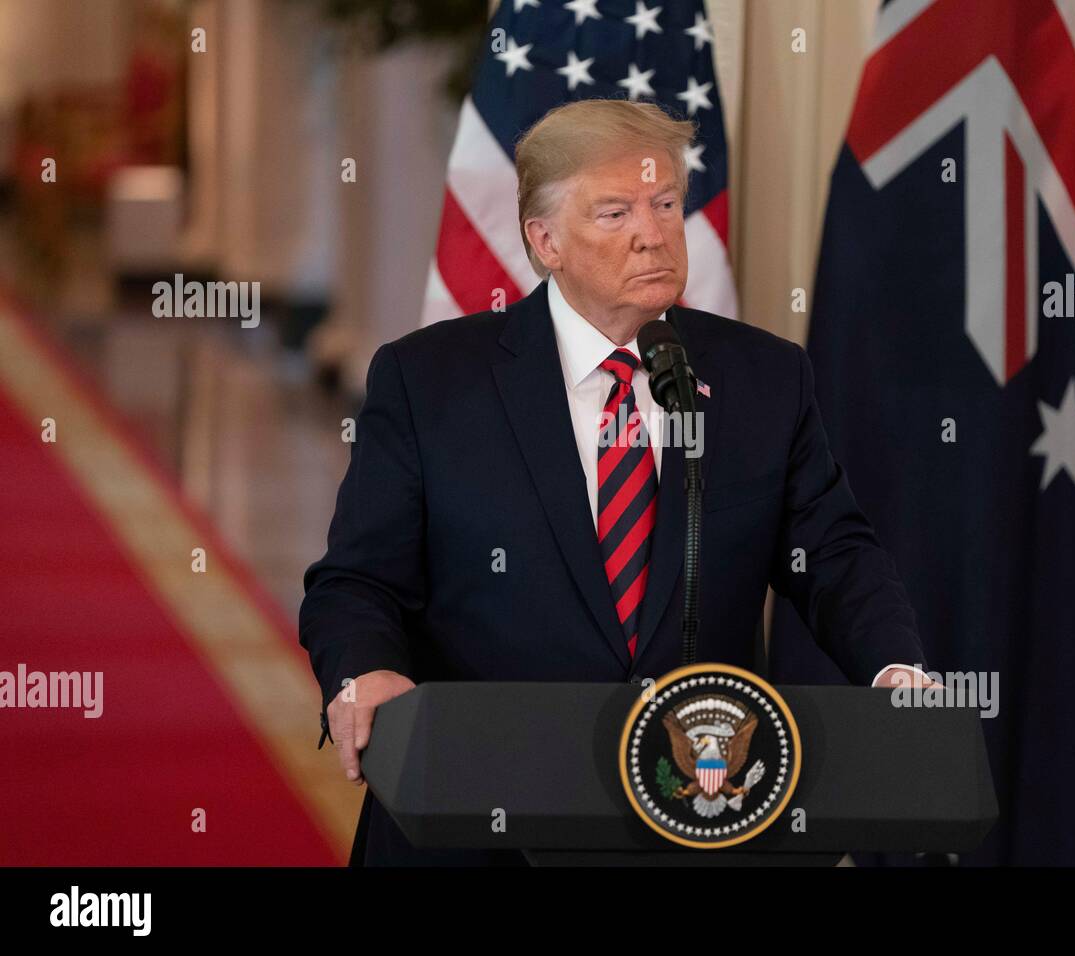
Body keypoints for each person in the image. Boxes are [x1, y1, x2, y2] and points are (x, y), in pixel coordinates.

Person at [300, 98, 930, 865]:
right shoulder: (430, 382)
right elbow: (356, 580)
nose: (652, 231)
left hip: (694, 813)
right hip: (479, 815)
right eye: (614, 212)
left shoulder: (763, 378)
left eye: (665, 203)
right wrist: (366, 671)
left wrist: (895, 668)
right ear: (545, 241)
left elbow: (833, 554)